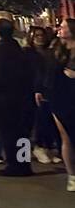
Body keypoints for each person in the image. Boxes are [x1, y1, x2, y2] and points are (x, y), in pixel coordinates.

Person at [0, 19, 34, 176]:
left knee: (9, 133)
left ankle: (14, 165)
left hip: (5, 98)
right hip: (21, 96)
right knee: (22, 133)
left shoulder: (0, 50)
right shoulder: (16, 47)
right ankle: (24, 164)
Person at [26, 25, 60, 164]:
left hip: (49, 90)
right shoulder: (28, 54)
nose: (40, 38)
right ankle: (38, 147)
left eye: (42, 35)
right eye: (36, 35)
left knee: (49, 120)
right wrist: (35, 89)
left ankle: (49, 147)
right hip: (33, 91)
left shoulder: (50, 53)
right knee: (37, 120)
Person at [48, 18, 75, 191]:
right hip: (60, 97)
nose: (60, 29)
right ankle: (72, 176)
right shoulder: (57, 50)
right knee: (66, 137)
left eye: (64, 27)